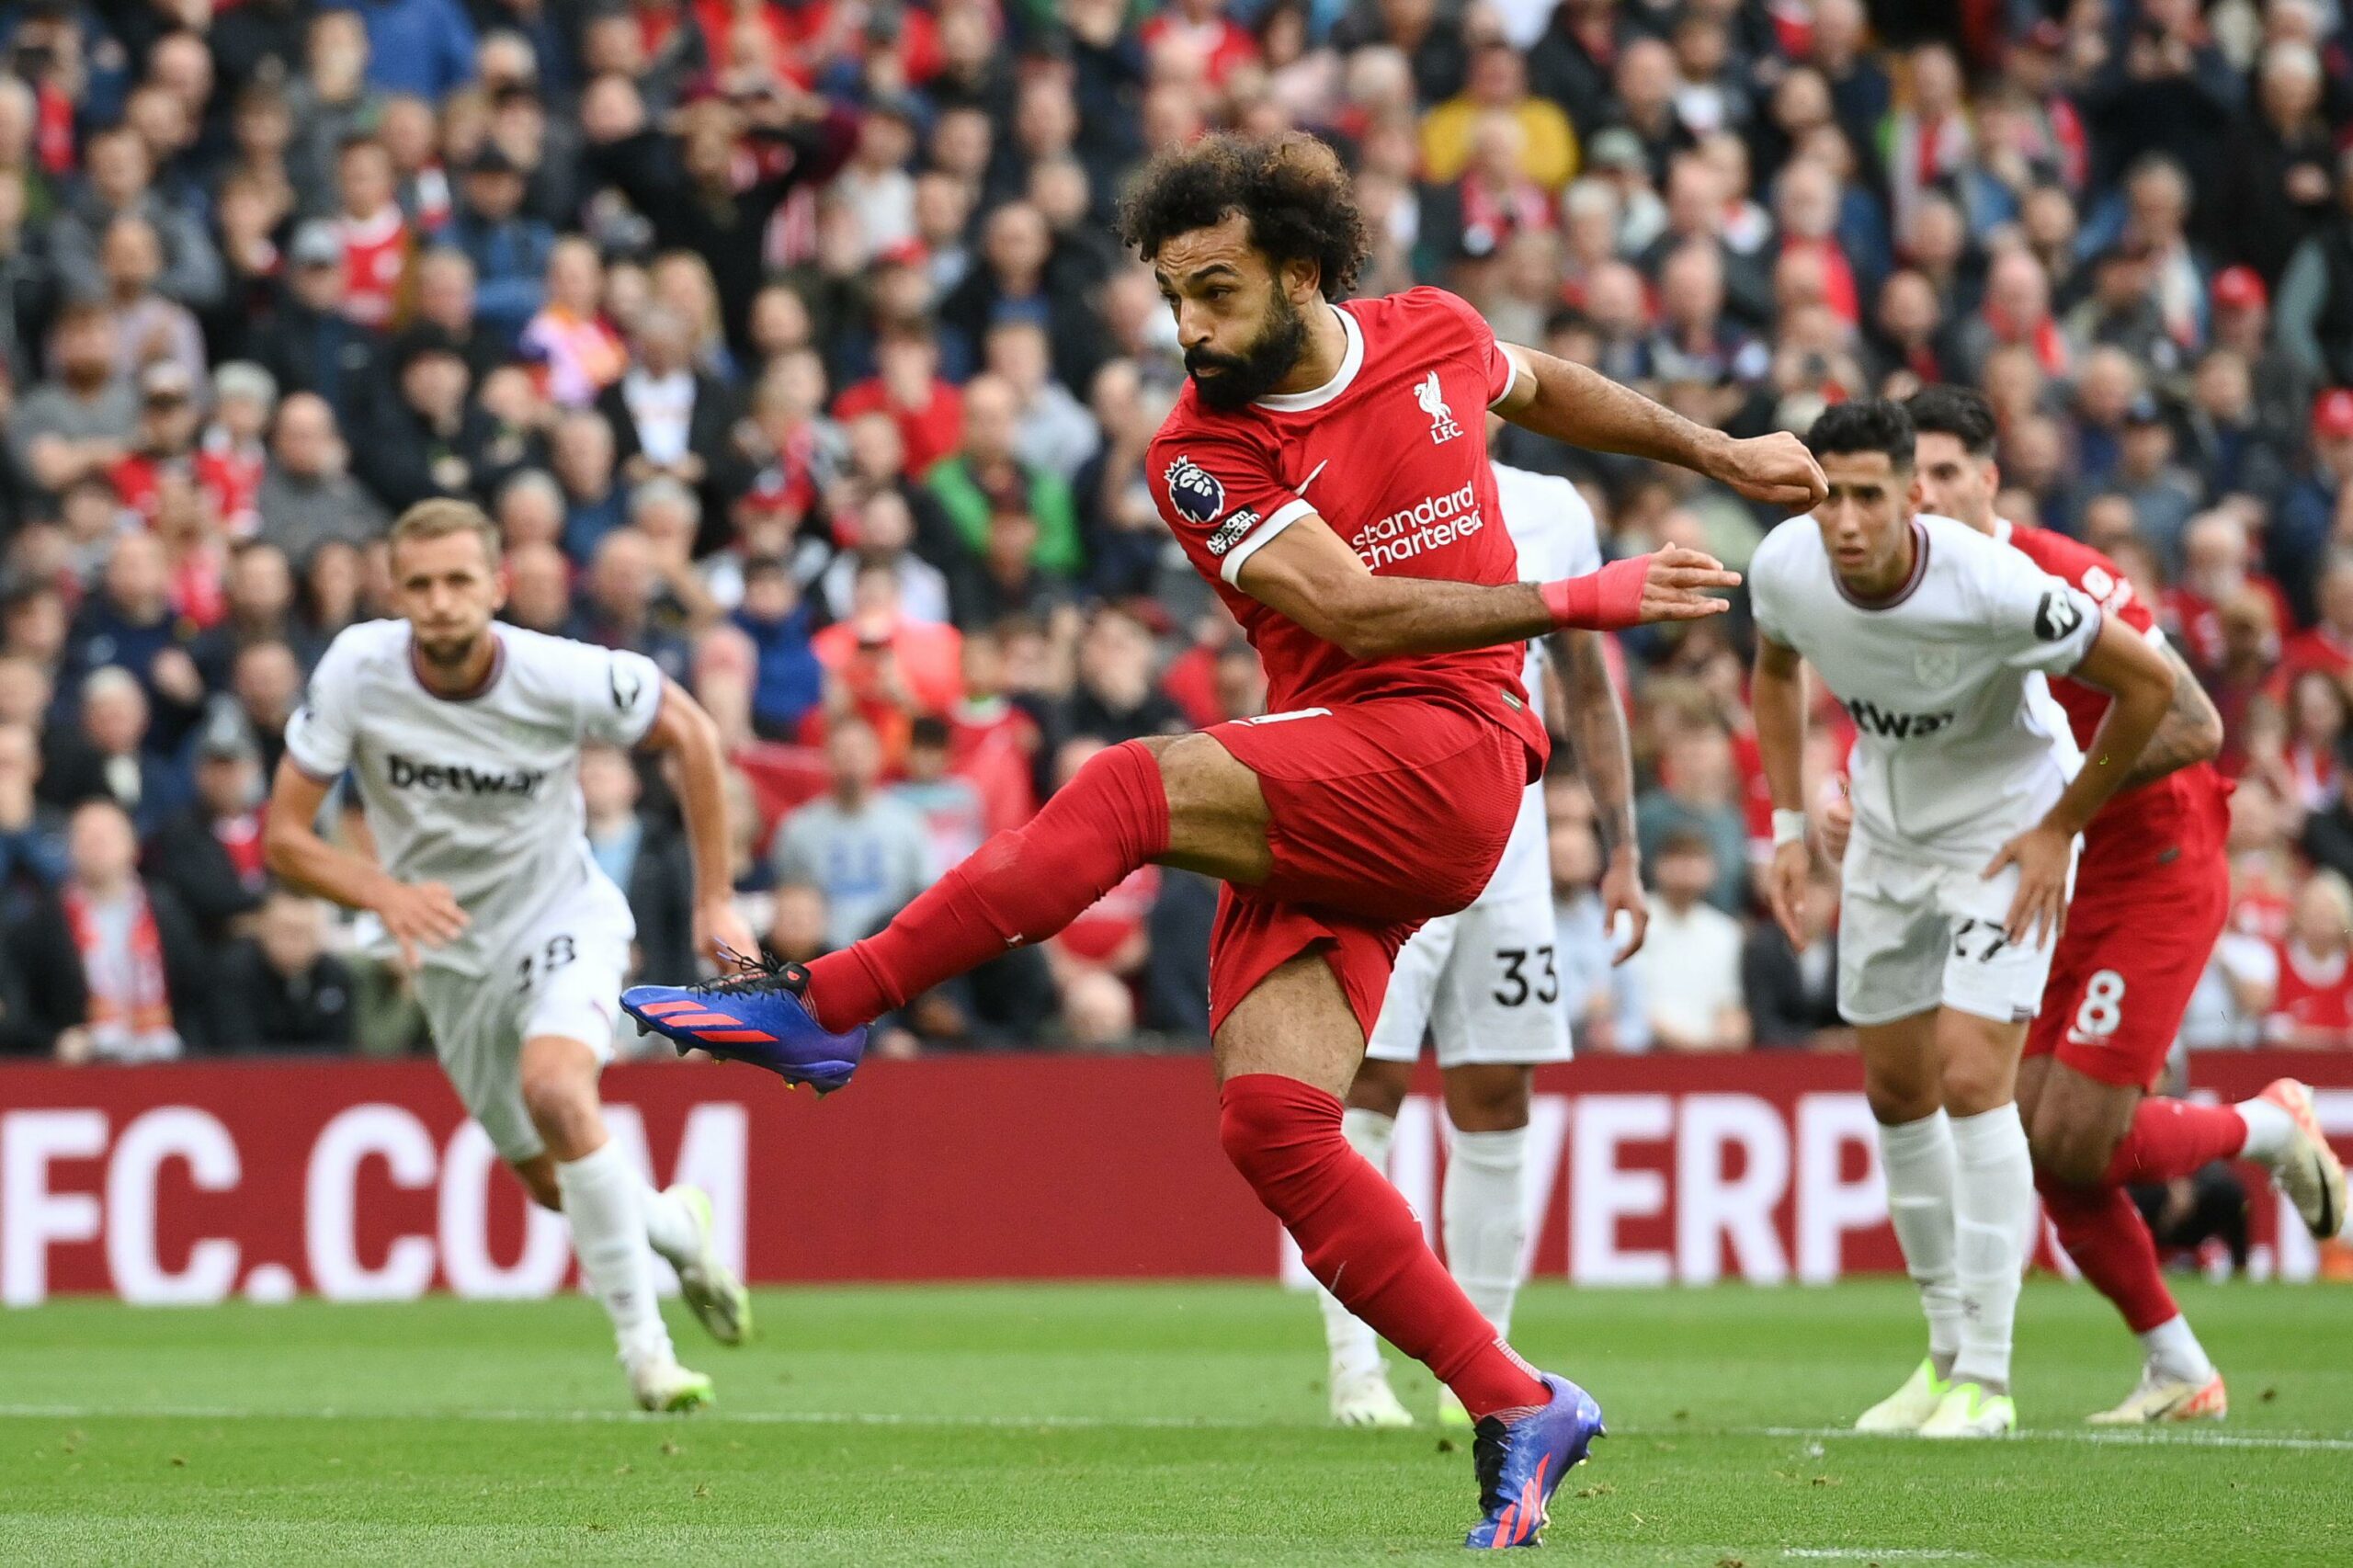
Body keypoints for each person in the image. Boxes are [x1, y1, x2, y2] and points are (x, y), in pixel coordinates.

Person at [625, 131, 1821, 1548]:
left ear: (1303, 274)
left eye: (1217, 292)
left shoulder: (1433, 333)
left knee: (1130, 788)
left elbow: (1548, 384)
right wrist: (1584, 597)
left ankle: (830, 1007)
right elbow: (1356, 609)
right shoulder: (1201, 453)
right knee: (1276, 1126)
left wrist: (1713, 449)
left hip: (1452, 757)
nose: (1188, 327)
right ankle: (1516, 1399)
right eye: (1173, 295)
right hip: (1343, 775)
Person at [1879, 386, 2347, 1423]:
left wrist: (2055, 816)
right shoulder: (1917, 596)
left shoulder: (2055, 571)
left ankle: (2266, 1125)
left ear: (1991, 478)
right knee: (2033, 1141)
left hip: (2159, 858)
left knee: (2076, 1137)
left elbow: (2189, 724)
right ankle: (2178, 1364)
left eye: (1951, 470)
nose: (1931, 491)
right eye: (1915, 476)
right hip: (2060, 868)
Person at [260, 499, 756, 1414]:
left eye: (459, 581)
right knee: (546, 1176)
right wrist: (381, 890)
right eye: (421, 584)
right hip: (449, 952)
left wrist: (715, 897)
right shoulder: (356, 673)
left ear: (496, 585)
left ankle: (646, 1353)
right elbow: (283, 839)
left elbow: (688, 729)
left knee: (559, 1090)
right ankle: (676, 1226)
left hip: (560, 916)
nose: (441, 601)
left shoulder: (560, 674)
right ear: (392, 590)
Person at [1750, 399, 2175, 1438]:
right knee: (1896, 1092)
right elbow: (1772, 669)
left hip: (2002, 835)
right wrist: (1790, 823)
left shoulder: (1994, 586)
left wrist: (2061, 825)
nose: (1844, 519)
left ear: (1912, 495)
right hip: (1889, 839)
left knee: (1975, 1076)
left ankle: (1987, 1374)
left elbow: (2151, 685)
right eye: (1827, 495)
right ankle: (1941, 1355)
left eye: (1866, 495)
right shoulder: (1784, 568)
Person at [1315, 460, 1645, 1429]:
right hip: (1384, 822)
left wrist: (1620, 847)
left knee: (1498, 1088)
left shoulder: (1552, 504)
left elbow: (1584, 682)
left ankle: (1486, 1364)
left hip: (1514, 843)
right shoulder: (1350, 482)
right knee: (1363, 1081)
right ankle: (1354, 1369)